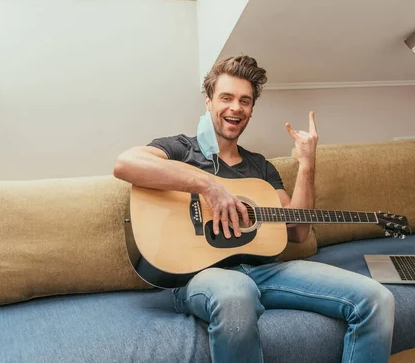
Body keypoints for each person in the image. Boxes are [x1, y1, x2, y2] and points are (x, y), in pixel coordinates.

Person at [113, 55, 395, 363]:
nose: (236, 107)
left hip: (265, 272)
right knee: (236, 291)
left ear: (250, 111)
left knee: (377, 299)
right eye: (227, 97)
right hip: (201, 276)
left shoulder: (261, 167)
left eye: (245, 101)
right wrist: (209, 187)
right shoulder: (182, 149)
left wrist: (307, 163)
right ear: (209, 102)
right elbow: (126, 164)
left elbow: (298, 231)